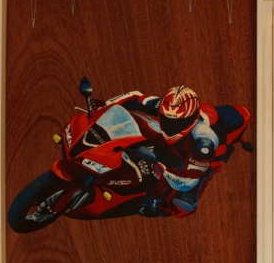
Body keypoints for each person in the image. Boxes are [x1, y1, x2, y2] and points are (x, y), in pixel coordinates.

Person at [100, 85, 250, 217]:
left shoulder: (204, 143)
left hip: (207, 157)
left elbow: (187, 182)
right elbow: (135, 95)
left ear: (191, 120)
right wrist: (103, 107)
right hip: (185, 137)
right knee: (138, 117)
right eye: (167, 120)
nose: (170, 126)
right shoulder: (167, 107)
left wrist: (162, 172)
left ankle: (158, 207)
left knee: (183, 205)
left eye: (177, 122)